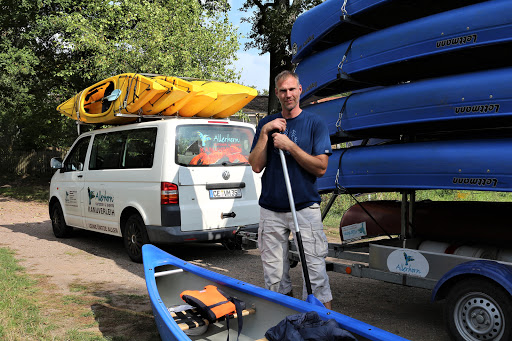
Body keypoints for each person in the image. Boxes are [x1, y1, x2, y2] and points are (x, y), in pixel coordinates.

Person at [248, 70, 333, 309]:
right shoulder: (267, 124)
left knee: (315, 275)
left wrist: (290, 146)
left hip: (304, 207)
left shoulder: (315, 123)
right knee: (274, 278)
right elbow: (256, 165)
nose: (288, 95)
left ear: (300, 90)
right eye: (283, 91)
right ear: (277, 93)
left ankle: (321, 327)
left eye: (292, 89)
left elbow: (320, 168)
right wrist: (265, 132)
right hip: (271, 210)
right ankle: (284, 322)